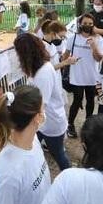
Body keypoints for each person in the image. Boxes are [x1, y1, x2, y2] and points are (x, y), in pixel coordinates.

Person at [14, 34, 71, 171]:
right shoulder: (39, 68)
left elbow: (40, 105)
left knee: (58, 154)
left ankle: (69, 176)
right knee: (30, 150)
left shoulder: (43, 72)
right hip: (42, 122)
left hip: (49, 122)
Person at [65, 13, 103, 138]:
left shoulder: (98, 39)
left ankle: (88, 124)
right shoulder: (73, 38)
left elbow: (98, 58)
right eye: (85, 23)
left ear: (93, 25)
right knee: (77, 100)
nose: (87, 26)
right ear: (80, 24)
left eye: (90, 24)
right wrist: (64, 64)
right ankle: (70, 124)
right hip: (76, 75)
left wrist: (93, 46)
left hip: (92, 76)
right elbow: (65, 55)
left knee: (90, 100)